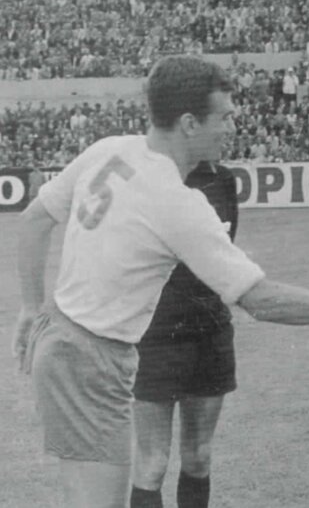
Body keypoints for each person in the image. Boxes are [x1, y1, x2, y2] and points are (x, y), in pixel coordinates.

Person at [11, 55, 309, 508]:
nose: (232, 126)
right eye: (225, 117)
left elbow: (34, 220)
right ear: (190, 122)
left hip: (65, 343)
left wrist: (31, 308)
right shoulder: (177, 201)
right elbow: (262, 301)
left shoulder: (110, 147)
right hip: (92, 361)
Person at [130, 160, 238, 508]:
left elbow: (224, 253)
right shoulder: (149, 176)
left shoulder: (222, 179)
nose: (230, 129)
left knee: (198, 456)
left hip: (210, 332)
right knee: (153, 462)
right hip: (157, 334)